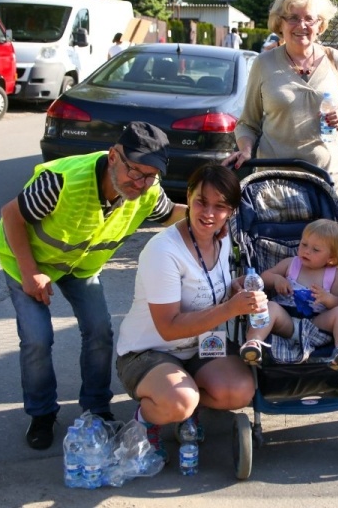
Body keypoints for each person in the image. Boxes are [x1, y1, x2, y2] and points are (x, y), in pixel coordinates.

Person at [0, 122, 186, 450]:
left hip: (79, 266)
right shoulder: (62, 181)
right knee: (37, 339)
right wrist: (29, 272)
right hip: (29, 261)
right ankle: (42, 414)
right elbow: (11, 215)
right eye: (135, 171)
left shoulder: (148, 190)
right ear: (113, 157)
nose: (140, 183)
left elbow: (169, 214)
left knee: (99, 330)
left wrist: (212, 210)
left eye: (150, 176)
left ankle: (96, 409)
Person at [115, 163, 260, 459]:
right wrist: (230, 309)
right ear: (188, 197)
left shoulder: (222, 238)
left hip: (201, 344)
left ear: (231, 212)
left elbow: (207, 287)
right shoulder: (163, 251)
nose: (209, 214)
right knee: (180, 400)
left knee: (240, 391)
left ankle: (188, 405)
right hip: (149, 350)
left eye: (220, 206)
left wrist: (234, 288)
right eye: (201, 202)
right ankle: (148, 419)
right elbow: (168, 327)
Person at [223, 0, 338, 205]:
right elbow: (247, 123)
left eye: (309, 19)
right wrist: (246, 150)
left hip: (328, 181)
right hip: (275, 184)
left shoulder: (335, 59)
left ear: (320, 24)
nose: (302, 25)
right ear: (280, 23)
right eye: (293, 18)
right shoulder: (264, 63)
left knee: (325, 230)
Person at [238, 219, 338, 370]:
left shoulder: (334, 275)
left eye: (315, 250)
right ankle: (253, 343)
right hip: (286, 321)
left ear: (331, 258)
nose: (306, 251)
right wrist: (276, 279)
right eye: (304, 244)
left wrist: (328, 299)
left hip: (317, 324)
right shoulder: (291, 264)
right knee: (270, 306)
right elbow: (264, 277)